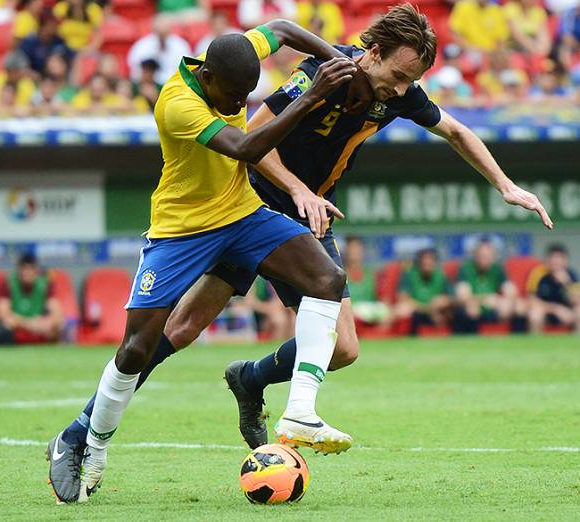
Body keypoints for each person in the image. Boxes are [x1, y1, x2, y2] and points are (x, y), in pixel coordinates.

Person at [50, 4, 551, 479]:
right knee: (177, 331)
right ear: (372, 53)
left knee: (344, 349)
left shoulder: (397, 93)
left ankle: (252, 378)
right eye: (398, 76)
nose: (402, 91)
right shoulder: (316, 75)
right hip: (256, 202)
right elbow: (254, 138)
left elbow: (458, 132)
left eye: (411, 81)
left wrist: (507, 186)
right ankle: (85, 431)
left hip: (304, 214)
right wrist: (298, 189)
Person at [45, 21, 366, 504]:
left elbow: (279, 28)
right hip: (182, 231)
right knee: (138, 347)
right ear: (209, 78)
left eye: (247, 95)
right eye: (235, 96)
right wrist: (313, 94)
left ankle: (299, 410)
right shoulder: (177, 104)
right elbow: (246, 147)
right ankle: (86, 440)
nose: (241, 105)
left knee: (327, 277)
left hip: (243, 215)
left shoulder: (235, 57)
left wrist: (338, 62)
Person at [454, 239, 522, 332]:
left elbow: (511, 291)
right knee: (472, 308)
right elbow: (462, 297)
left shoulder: (497, 269)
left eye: (487, 256)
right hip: (474, 306)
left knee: (517, 306)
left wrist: (501, 300)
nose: (484, 259)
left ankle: (511, 341)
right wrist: (484, 299)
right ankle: (472, 342)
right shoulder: (466, 268)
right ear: (475, 255)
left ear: (493, 256)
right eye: (481, 255)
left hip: (494, 306)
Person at [0, 253, 64, 343]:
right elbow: (2, 314)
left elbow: (57, 313)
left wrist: (45, 323)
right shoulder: (9, 283)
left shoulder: (45, 283)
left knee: (58, 325)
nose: (26, 272)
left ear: (37, 270)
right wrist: (29, 324)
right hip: (18, 326)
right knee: (6, 323)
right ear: (18, 269)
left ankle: (52, 353)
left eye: (31, 268)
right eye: (23, 268)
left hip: (38, 326)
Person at [527, 244, 580, 333]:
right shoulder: (539, 273)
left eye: (560, 258)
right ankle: (536, 345)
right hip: (547, 312)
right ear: (547, 260)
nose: (556, 262)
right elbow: (532, 301)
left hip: (568, 312)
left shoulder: (572, 275)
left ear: (566, 261)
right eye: (553, 258)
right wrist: (556, 309)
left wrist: (567, 284)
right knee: (535, 315)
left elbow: (579, 301)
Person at [394, 248, 452, 332]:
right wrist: (426, 308)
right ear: (419, 261)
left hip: (436, 312)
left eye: (430, 259)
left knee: (448, 310)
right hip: (416, 309)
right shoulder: (409, 274)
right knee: (401, 309)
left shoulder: (441, 276)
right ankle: (393, 336)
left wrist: (441, 301)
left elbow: (451, 298)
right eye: (424, 259)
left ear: (435, 262)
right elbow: (403, 297)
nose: (427, 262)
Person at [126, 15, 192, 84]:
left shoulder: (180, 45)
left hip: (175, 84)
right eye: (159, 33)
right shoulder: (142, 46)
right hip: (150, 84)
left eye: (164, 33)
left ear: (169, 30)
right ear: (153, 30)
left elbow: (187, 69)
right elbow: (135, 70)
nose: (162, 36)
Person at [343, 236, 390, 325]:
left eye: (357, 248)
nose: (354, 252)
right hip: (350, 313)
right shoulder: (341, 274)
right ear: (346, 251)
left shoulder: (371, 274)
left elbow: (383, 298)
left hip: (371, 312)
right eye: (351, 249)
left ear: (362, 251)